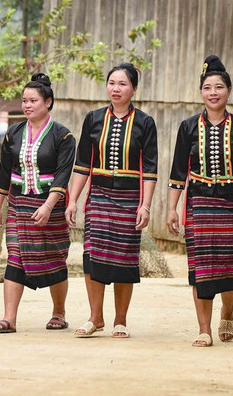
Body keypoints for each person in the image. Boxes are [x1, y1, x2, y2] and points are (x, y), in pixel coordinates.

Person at [166, 55, 233, 347]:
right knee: (200, 269)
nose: (213, 92)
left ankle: (228, 311)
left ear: (229, 91)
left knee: (231, 267)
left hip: (232, 206)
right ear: (201, 92)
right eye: (207, 87)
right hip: (199, 205)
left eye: (219, 87)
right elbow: (178, 171)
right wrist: (171, 208)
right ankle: (204, 329)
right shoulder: (188, 127)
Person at [65, 63, 158, 339]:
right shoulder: (93, 118)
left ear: (134, 89)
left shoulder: (145, 123)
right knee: (92, 256)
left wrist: (145, 205)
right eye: (112, 83)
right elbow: (83, 164)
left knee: (124, 259)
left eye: (122, 84)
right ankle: (96, 318)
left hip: (130, 199)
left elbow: (150, 169)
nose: (116, 89)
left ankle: (120, 320)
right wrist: (73, 200)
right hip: (99, 198)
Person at [0, 74, 76, 333]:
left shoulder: (63, 136)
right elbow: (5, 171)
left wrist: (48, 206)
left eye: (33, 100)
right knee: (15, 256)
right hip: (18, 204)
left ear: (48, 102)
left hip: (51, 205)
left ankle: (58, 313)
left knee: (55, 258)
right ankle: (9, 319)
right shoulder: (13, 133)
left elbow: (63, 173)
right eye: (24, 101)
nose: (27, 105)